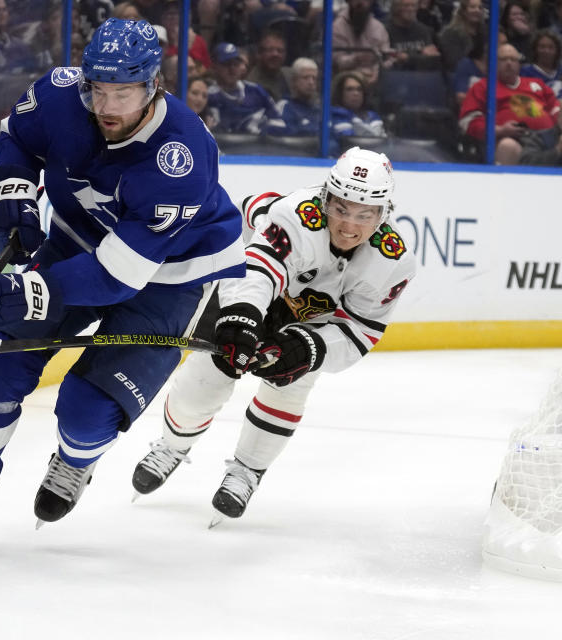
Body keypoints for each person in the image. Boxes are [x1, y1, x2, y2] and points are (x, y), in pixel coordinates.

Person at [0, 18, 248, 545]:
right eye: (97, 89)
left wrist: (29, 292)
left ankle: (76, 460)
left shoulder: (182, 156)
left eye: (122, 93)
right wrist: (12, 191)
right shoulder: (60, 94)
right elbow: (19, 138)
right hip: (76, 240)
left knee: (87, 412)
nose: (105, 106)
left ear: (154, 86)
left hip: (168, 274)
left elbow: (119, 276)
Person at [131, 147, 416, 524]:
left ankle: (248, 470)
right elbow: (258, 269)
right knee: (205, 381)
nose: (349, 226)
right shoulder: (295, 216)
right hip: (252, 294)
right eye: (341, 208)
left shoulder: (393, 261)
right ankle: (171, 446)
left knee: (292, 386)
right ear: (325, 198)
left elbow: (360, 331)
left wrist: (309, 348)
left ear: (383, 213)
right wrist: (243, 316)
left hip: (313, 322)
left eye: (364, 215)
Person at [459, 43, 562, 164]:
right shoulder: (482, 86)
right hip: (515, 142)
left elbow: (555, 109)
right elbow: (468, 121)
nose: (509, 63)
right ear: (493, 63)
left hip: (546, 141)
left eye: (513, 59)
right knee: (507, 146)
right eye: (503, 59)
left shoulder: (537, 83)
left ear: (519, 64)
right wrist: (500, 130)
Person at [206, 41, 284, 134]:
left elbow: (279, 122)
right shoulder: (209, 96)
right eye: (226, 64)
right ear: (214, 67)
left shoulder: (256, 90)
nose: (232, 69)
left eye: (236, 64)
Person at [332, 0, 391, 84]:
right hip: (344, 81)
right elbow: (337, 62)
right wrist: (357, 58)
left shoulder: (379, 28)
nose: (360, 2)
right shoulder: (336, 27)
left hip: (375, 82)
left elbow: (386, 59)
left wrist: (377, 72)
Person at [267, 56, 321, 136]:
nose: (311, 82)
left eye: (314, 78)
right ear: (294, 81)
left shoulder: (319, 110)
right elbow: (276, 136)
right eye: (306, 77)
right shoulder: (284, 107)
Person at [384, 0, 442, 70]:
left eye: (413, 6)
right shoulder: (385, 31)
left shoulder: (424, 30)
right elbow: (390, 61)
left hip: (422, 77)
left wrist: (407, 57)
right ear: (396, 8)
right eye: (406, 6)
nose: (411, 9)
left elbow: (432, 59)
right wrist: (420, 54)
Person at [331, 70, 386, 138]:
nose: (356, 93)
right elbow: (349, 141)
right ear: (340, 93)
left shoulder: (372, 116)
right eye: (349, 89)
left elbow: (384, 141)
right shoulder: (336, 115)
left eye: (359, 89)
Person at [245, 29, 290, 99]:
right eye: (270, 50)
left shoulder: (290, 75)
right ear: (259, 54)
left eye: (280, 51)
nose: (275, 54)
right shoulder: (252, 85)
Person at [521, 28, 562, 99]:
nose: (546, 51)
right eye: (542, 47)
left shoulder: (560, 70)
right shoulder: (525, 72)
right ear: (535, 49)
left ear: (557, 50)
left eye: (551, 47)